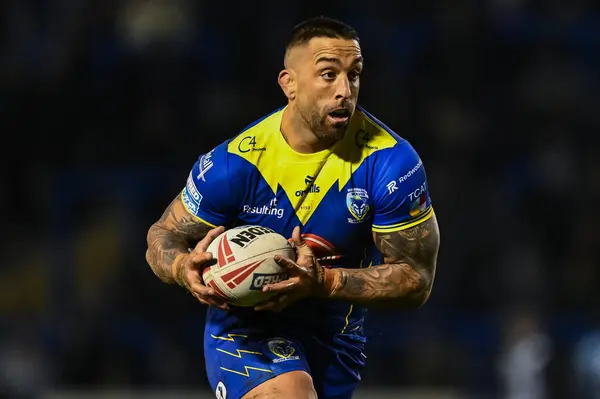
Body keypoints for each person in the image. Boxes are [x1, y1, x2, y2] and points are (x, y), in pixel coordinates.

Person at [146, 16, 440, 399]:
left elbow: (417, 279)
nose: (345, 91)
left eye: (354, 74)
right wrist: (182, 267)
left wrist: (325, 282)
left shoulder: (390, 163)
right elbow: (163, 235)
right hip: (245, 330)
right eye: (328, 74)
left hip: (335, 337)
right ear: (289, 84)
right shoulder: (235, 164)